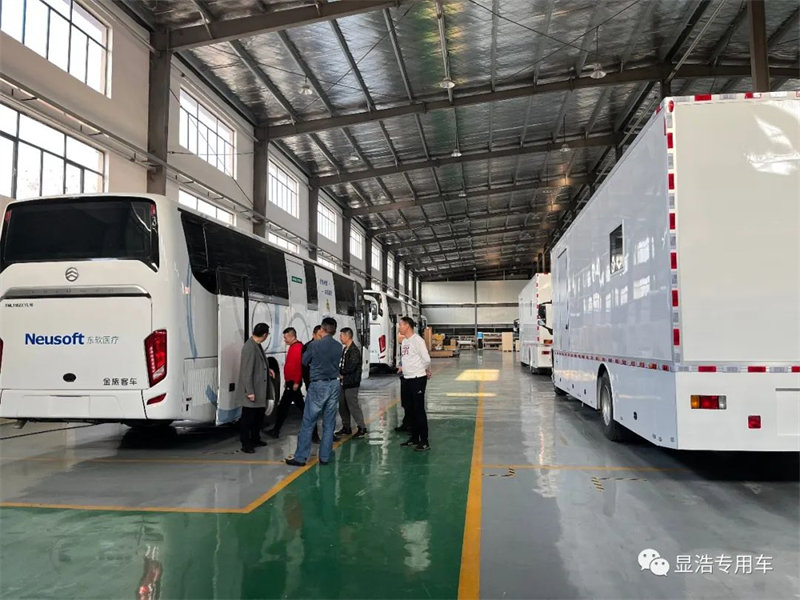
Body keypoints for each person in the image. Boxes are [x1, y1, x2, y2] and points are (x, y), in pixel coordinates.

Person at [286, 317, 342, 466]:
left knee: (309, 421)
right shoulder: (338, 346)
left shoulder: (315, 345)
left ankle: (301, 457)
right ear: (334, 331)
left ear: (322, 329)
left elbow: (304, 361)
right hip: (334, 384)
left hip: (318, 385)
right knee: (329, 423)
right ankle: (324, 457)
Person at [237, 323, 274, 454]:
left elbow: (259, 364)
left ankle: (255, 438)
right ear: (264, 335)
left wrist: (267, 369)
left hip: (259, 389)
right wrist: (250, 391)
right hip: (253, 390)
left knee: (258, 417)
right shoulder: (249, 347)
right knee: (248, 418)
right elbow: (246, 372)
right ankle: (246, 443)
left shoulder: (257, 345)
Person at [268, 327, 309, 439]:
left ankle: (276, 430)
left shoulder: (297, 348)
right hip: (291, 382)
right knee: (299, 406)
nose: (284, 340)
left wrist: (296, 382)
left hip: (293, 383)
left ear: (292, 336)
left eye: (286, 338)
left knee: (283, 407)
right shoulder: (293, 347)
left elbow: (298, 366)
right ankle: (276, 430)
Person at [397, 316, 432, 451]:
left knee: (418, 410)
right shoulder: (405, 341)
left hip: (417, 379)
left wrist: (422, 370)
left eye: (401, 325)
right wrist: (403, 368)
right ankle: (414, 437)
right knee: (409, 409)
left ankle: (424, 441)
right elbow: (407, 359)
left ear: (407, 326)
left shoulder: (418, 341)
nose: (399, 327)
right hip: (407, 378)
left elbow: (426, 359)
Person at [336, 327, 367, 438]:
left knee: (353, 405)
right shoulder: (346, 349)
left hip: (351, 383)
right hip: (344, 382)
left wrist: (340, 373)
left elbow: (351, 367)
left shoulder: (354, 351)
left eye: (341, 335)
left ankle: (362, 427)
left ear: (347, 336)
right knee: (342, 405)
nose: (340, 338)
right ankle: (346, 427)